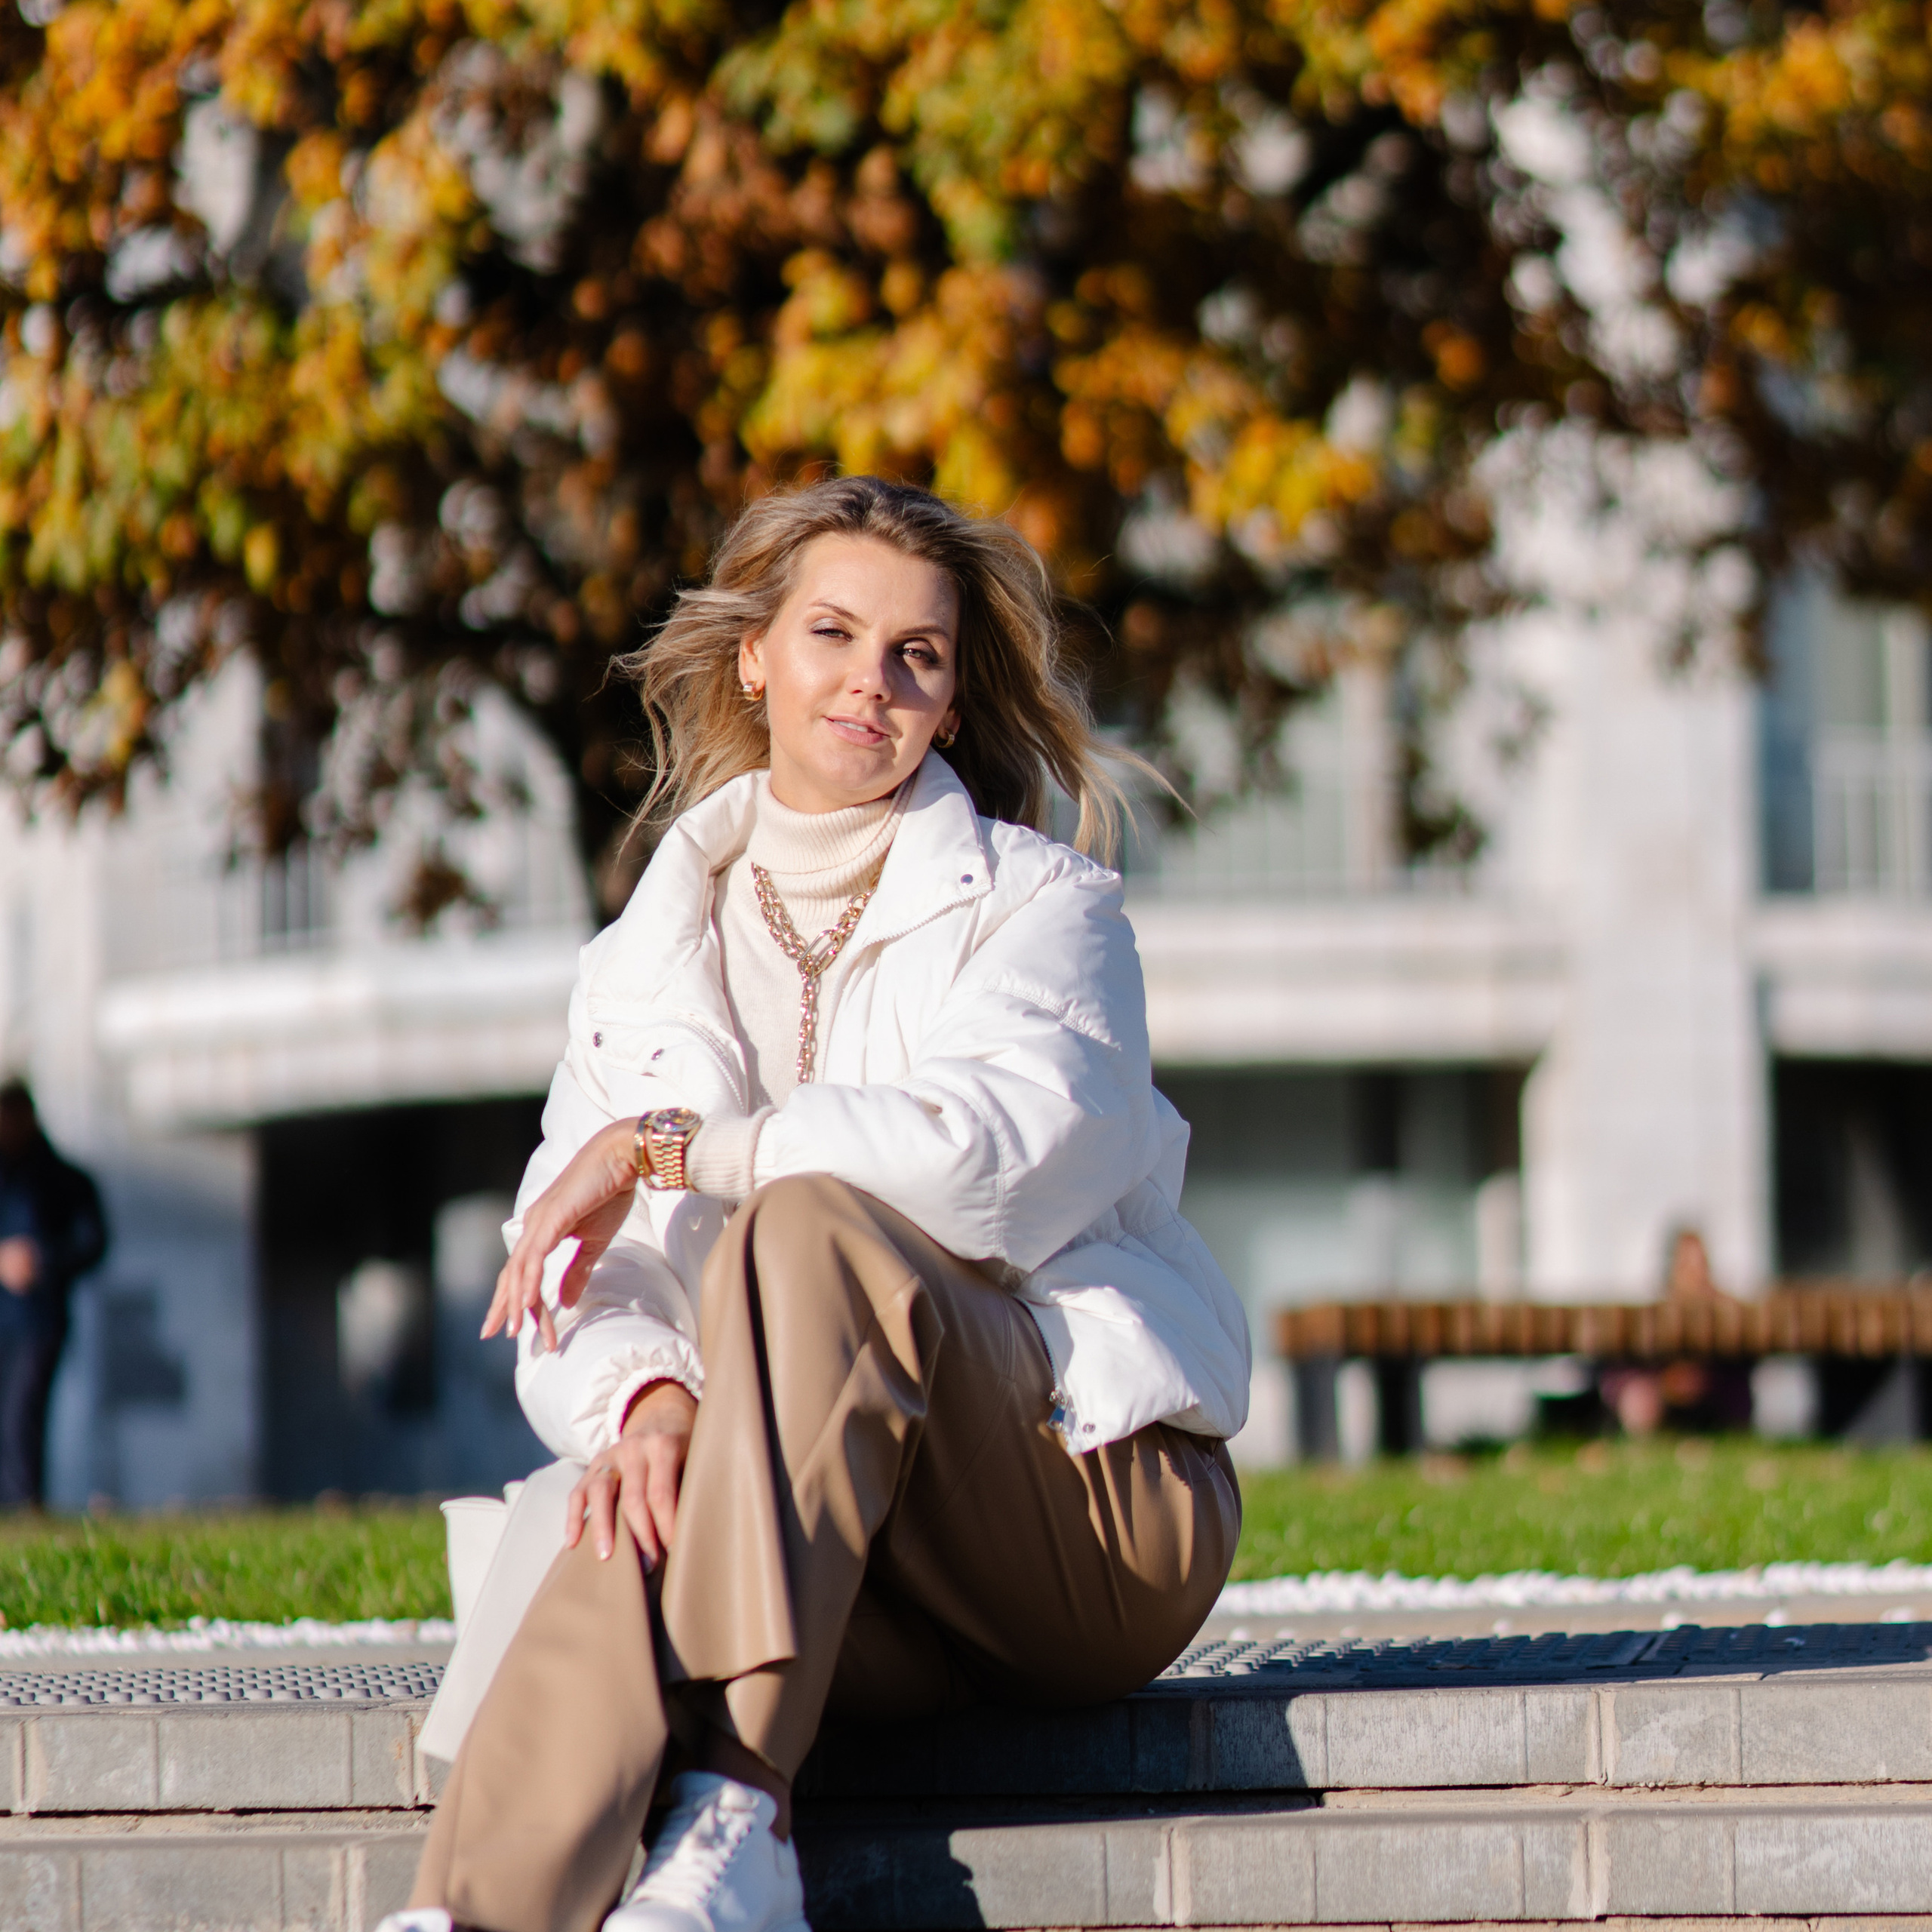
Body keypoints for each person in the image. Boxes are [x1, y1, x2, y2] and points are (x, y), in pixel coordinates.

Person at [383, 477, 1250, 1932]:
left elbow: (986, 1165)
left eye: (918, 654)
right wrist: (649, 1404)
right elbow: (568, 1266)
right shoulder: (642, 957)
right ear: (755, 659)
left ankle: (743, 1808)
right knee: (623, 1510)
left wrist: (684, 1152)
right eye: (835, 634)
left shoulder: (1050, 912)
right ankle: (476, 1916)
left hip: (1077, 1513)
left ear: (955, 702)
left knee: (814, 1223)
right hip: (824, 1542)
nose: (873, 680)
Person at [0, 1078, 107, 1509]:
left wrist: (43, 1259)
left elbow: (93, 1243)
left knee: (21, 1415)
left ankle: (23, 1506)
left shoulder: (63, 1179)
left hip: (39, 1322)